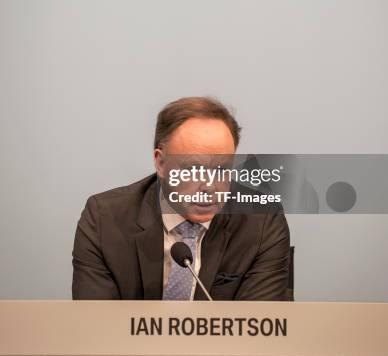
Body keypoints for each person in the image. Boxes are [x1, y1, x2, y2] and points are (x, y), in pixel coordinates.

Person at [72, 96, 290, 300]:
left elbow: (258, 329)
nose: (209, 186)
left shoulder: (262, 221)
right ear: (161, 163)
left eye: (222, 169)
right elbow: (97, 325)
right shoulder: (105, 219)